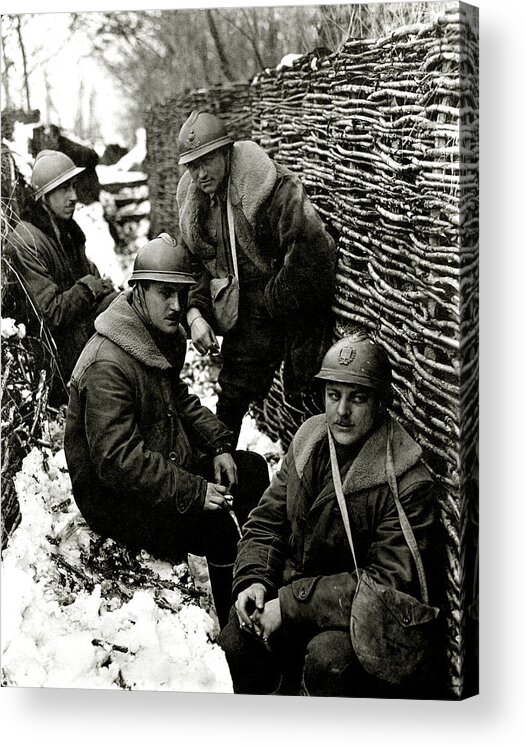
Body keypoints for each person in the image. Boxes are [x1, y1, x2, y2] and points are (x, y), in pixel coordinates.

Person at [218, 332, 443, 696]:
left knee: (329, 661)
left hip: (354, 622)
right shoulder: (310, 442)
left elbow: (386, 586)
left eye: (357, 398)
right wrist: (254, 581)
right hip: (301, 599)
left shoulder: (404, 478)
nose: (341, 412)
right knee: (237, 638)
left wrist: (290, 606)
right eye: (333, 395)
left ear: (380, 403)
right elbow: (266, 522)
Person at [64, 233, 269, 629]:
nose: (177, 306)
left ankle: (258, 583)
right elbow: (117, 462)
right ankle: (235, 629)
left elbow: (176, 397)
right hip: (113, 499)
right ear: (138, 291)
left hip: (155, 458)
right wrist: (194, 491)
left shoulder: (152, 333)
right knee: (216, 520)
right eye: (165, 294)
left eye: (181, 294)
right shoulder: (108, 365)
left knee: (252, 470)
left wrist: (217, 444)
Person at [176, 111, 337, 447]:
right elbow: (197, 266)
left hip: (295, 300)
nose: (200, 173)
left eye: (207, 160)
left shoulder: (268, 186)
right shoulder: (200, 205)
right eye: (192, 166)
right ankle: (220, 461)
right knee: (232, 391)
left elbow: (313, 248)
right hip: (250, 308)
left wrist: (272, 299)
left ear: (226, 152)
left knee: (311, 389)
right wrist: (195, 313)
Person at [7, 149, 118, 402]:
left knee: (125, 306)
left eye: (73, 187)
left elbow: (93, 276)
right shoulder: (26, 242)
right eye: (64, 188)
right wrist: (89, 288)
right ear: (44, 195)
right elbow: (50, 314)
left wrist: (98, 286)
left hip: (74, 337)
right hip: (52, 357)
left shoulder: (67, 232)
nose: (74, 197)